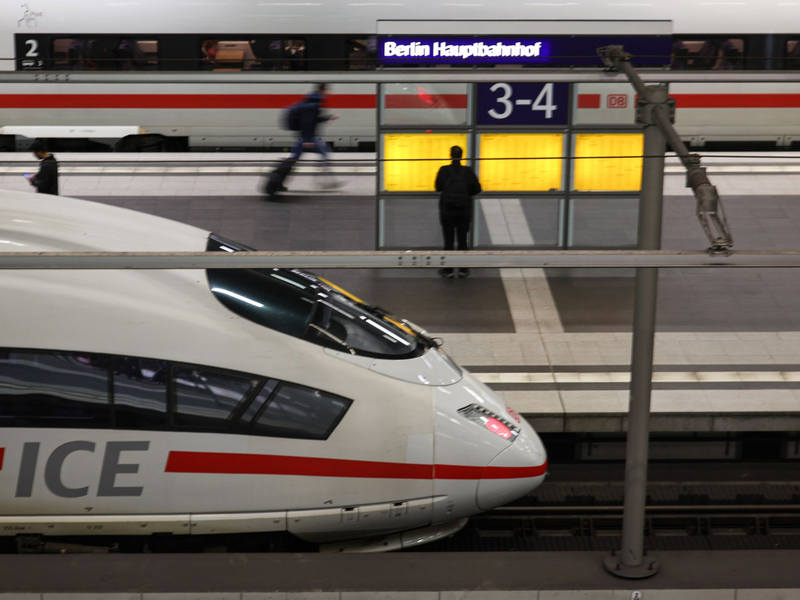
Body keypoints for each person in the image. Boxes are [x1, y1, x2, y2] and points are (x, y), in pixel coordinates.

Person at [266, 83, 339, 197]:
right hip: (307, 137)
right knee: (325, 152)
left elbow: (312, 119)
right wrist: (308, 139)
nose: (330, 92)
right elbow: (307, 122)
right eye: (328, 89)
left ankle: (277, 181)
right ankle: (323, 182)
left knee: (293, 160)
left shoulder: (312, 100)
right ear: (323, 90)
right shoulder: (314, 103)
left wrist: (328, 117)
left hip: (304, 137)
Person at [434, 146, 481, 278]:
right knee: (462, 240)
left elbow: (437, 187)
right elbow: (477, 189)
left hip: (447, 211)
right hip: (463, 211)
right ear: (462, 156)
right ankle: (463, 269)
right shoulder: (468, 171)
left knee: (448, 241)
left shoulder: (443, 170)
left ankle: (448, 270)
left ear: (450, 155)